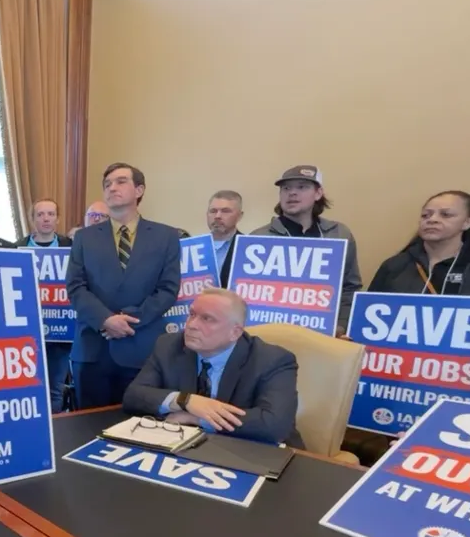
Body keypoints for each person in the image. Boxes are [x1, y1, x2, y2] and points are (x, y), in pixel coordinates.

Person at [346, 190, 470, 464]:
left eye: (446, 215)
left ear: (468, 222)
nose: (432, 220)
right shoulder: (396, 266)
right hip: (399, 384)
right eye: (426, 215)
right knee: (397, 455)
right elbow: (365, 318)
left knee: (454, 457)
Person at [124, 288, 303, 447]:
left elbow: (274, 425)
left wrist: (197, 418)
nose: (191, 325)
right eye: (192, 314)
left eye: (207, 319)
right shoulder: (169, 345)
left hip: (258, 454)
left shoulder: (273, 360)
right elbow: (134, 396)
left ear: (235, 332)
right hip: (192, 449)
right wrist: (185, 401)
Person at [66, 162, 180, 408]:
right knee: (87, 430)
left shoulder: (167, 237)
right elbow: (76, 287)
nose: (111, 188)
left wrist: (127, 320)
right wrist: (106, 320)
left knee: (141, 429)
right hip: (93, 349)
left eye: (120, 182)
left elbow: (168, 289)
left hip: (142, 348)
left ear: (139, 190)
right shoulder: (84, 238)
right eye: (107, 184)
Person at [251, 165, 361, 334]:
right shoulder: (258, 239)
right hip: (271, 337)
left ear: (318, 193)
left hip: (323, 336)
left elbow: (350, 288)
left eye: (302, 187)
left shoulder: (339, 234)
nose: (292, 193)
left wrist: (341, 325)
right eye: (286, 188)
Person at [17, 199, 73, 414]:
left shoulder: (72, 247)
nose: (46, 218)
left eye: (50, 214)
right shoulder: (17, 247)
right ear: (32, 219)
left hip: (62, 335)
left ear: (57, 219)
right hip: (27, 333)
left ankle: (57, 437)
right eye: (40, 214)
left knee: (55, 390)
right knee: (27, 388)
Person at [207, 190, 245, 287]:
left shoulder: (248, 248)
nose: (217, 216)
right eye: (213, 211)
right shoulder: (193, 247)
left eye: (225, 211)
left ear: (240, 216)